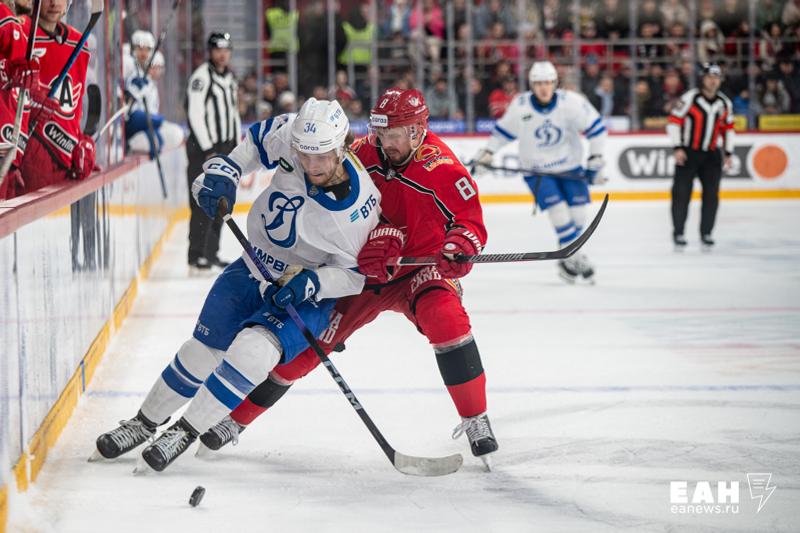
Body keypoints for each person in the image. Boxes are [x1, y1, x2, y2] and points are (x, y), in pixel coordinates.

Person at [200, 88, 499, 468]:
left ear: (416, 131)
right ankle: (234, 419)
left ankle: (475, 418)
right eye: (380, 134)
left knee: (446, 319)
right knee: (306, 345)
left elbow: (469, 222)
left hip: (418, 270)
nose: (384, 143)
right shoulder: (360, 154)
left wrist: (460, 245)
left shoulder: (443, 169)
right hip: (364, 272)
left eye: (393, 135)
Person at [94, 98, 382, 472]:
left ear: (342, 147)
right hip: (252, 266)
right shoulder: (293, 132)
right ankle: (143, 422)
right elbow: (255, 144)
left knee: (254, 353)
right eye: (304, 155)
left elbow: (353, 276)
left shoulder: (358, 210)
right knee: (201, 352)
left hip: (304, 293)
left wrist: (311, 282)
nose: (311, 165)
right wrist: (226, 172)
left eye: (322, 157)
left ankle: (185, 431)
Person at [472, 61, 608, 284]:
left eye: (548, 82)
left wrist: (596, 158)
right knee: (559, 213)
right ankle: (576, 258)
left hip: (570, 167)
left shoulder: (571, 103)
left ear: (555, 83)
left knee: (578, 217)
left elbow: (596, 128)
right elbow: (502, 133)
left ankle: (566, 261)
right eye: (538, 83)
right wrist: (487, 153)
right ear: (531, 84)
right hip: (537, 171)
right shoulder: (521, 106)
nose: (543, 87)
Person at [17, 0, 93, 195]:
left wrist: (81, 143)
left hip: (63, 167)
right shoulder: (18, 31)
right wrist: (28, 102)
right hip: (23, 166)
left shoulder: (78, 43)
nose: (54, 3)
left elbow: (74, 110)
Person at [185, 31, 241, 273]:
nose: (223, 54)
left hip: (225, 149)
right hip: (205, 150)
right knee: (201, 202)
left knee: (222, 202)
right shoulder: (201, 77)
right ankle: (196, 256)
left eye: (226, 50)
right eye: (218, 49)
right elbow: (195, 114)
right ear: (210, 52)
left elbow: (233, 113)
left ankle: (211, 253)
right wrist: (208, 149)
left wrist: (236, 144)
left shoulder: (230, 78)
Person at [667, 62, 734, 248]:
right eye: (710, 77)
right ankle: (679, 232)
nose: (713, 81)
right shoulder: (690, 98)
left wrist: (728, 152)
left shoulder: (724, 103)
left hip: (712, 155)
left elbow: (728, 129)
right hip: (688, 153)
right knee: (681, 194)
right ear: (703, 79)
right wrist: (678, 148)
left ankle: (706, 233)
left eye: (716, 78)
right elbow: (673, 122)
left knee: (711, 196)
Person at [0, 0, 40, 199]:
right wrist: (5, 71)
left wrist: (15, 161)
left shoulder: (19, 26)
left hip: (8, 158)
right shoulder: (4, 18)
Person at [124, 33, 184, 156]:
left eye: (147, 49)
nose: (143, 53)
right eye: (140, 48)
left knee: (164, 135)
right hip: (129, 119)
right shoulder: (128, 64)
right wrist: (133, 89)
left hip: (142, 122)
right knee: (161, 126)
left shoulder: (148, 80)